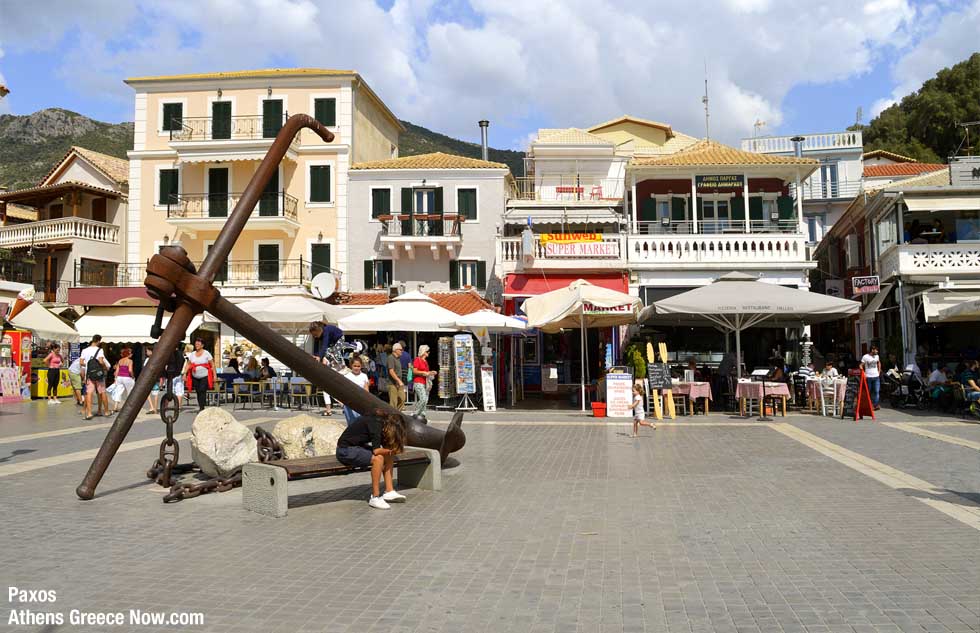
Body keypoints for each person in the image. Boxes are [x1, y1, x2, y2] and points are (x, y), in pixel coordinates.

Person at [335, 411, 407, 510]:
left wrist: (391, 450)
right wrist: (392, 450)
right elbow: (377, 451)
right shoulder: (376, 424)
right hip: (345, 451)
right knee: (379, 458)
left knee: (389, 455)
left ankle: (389, 491)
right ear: (392, 427)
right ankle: (375, 497)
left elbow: (385, 448)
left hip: (357, 447)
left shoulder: (383, 423)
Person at [80, 335, 110, 420]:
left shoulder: (84, 350)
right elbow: (101, 361)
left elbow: (81, 362)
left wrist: (89, 365)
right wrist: (104, 367)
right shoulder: (100, 350)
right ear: (98, 341)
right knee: (102, 392)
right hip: (99, 374)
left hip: (89, 374)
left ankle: (89, 413)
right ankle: (106, 411)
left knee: (89, 393)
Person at [182, 338, 215, 412]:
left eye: (198, 344)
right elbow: (188, 364)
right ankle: (201, 405)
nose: (196, 346)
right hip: (195, 376)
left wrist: (215, 375)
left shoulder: (206, 353)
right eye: (196, 344)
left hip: (204, 376)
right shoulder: (193, 354)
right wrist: (185, 374)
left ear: (202, 345)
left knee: (202, 390)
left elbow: (212, 364)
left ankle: (202, 407)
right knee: (198, 391)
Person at [342, 357, 371, 425]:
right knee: (351, 424)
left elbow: (366, 390)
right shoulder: (347, 376)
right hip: (349, 403)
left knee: (360, 423)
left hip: (361, 402)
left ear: (361, 366)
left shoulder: (364, 376)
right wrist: (342, 403)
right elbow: (344, 390)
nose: (356, 368)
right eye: (355, 366)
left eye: (358, 366)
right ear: (351, 366)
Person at [411, 345, 438, 418]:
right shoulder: (417, 360)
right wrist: (423, 373)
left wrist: (431, 372)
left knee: (425, 400)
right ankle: (415, 413)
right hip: (418, 382)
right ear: (423, 351)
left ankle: (422, 415)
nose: (428, 353)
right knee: (423, 398)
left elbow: (426, 372)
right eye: (427, 351)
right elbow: (414, 371)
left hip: (425, 382)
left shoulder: (425, 361)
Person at [110, 347, 135, 413]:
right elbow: (130, 370)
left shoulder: (120, 361)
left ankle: (115, 407)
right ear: (128, 354)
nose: (131, 354)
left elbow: (117, 371)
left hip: (119, 377)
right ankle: (129, 407)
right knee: (130, 392)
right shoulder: (130, 361)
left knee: (118, 392)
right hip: (127, 377)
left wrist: (115, 379)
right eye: (130, 353)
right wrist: (133, 376)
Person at [387, 342, 407, 410]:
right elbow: (391, 371)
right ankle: (393, 417)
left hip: (399, 383)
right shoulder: (391, 358)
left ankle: (397, 414)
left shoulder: (398, 358)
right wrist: (398, 380)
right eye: (400, 350)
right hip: (392, 383)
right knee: (393, 402)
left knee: (402, 399)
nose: (402, 351)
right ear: (395, 350)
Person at [861, 345, 881, 409]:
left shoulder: (877, 356)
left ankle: (875, 405)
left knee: (876, 391)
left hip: (876, 376)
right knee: (868, 391)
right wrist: (863, 372)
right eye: (876, 350)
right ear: (872, 350)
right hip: (868, 377)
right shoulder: (865, 357)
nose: (877, 351)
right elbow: (861, 365)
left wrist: (879, 371)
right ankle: (869, 405)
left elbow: (879, 363)